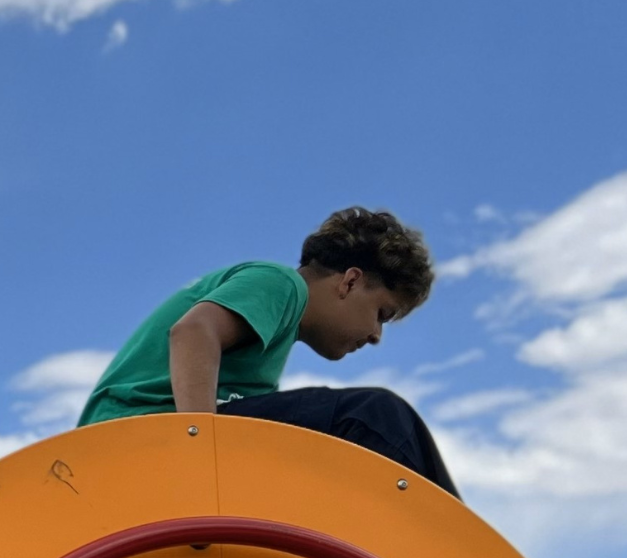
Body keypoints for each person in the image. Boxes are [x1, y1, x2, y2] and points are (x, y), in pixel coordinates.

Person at [77, 206, 454, 495]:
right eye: (381, 315)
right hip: (139, 435)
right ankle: (449, 553)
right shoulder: (282, 283)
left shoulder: (266, 354)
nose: (375, 336)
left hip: (130, 446)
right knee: (374, 417)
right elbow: (193, 331)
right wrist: (198, 447)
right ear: (350, 282)